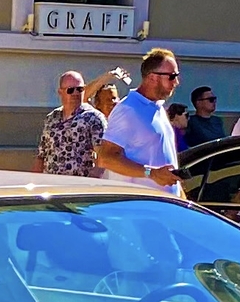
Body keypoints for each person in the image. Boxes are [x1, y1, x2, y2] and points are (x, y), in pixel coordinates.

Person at [95, 46, 183, 193]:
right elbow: (106, 158)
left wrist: (182, 200)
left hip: (163, 206)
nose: (176, 82)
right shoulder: (128, 109)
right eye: (172, 76)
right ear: (152, 77)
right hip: (138, 207)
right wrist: (151, 173)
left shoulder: (158, 108)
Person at [36, 69, 104, 177]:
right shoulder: (51, 118)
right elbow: (41, 155)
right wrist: (35, 182)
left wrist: (90, 184)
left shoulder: (93, 118)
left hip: (77, 187)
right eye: (70, 90)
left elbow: (103, 157)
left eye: (80, 89)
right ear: (60, 92)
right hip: (51, 185)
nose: (76, 93)